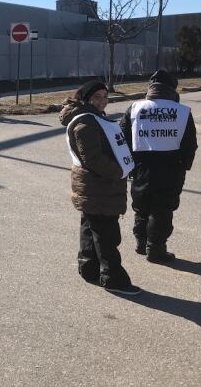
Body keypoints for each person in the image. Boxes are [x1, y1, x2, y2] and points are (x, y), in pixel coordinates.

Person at [60, 80, 140, 295]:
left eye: (105, 96)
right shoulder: (85, 122)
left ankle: (89, 269)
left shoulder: (94, 117)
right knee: (106, 234)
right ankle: (114, 279)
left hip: (94, 187)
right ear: (86, 99)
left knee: (90, 227)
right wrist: (118, 171)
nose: (103, 101)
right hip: (98, 186)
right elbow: (93, 159)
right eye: (97, 97)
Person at [120, 70, 197, 263]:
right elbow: (190, 143)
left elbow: (122, 138)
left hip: (141, 167)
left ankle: (141, 243)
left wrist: (130, 164)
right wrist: (184, 165)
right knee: (162, 210)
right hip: (170, 168)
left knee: (141, 207)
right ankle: (155, 249)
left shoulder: (134, 108)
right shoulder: (182, 111)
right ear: (172, 87)